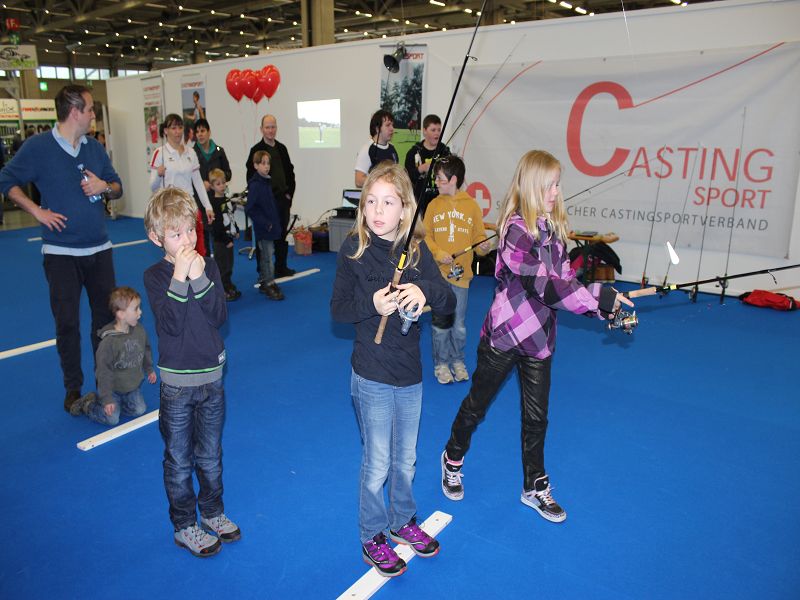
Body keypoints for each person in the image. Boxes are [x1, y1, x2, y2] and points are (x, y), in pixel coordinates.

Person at [440, 150, 634, 523]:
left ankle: (534, 486)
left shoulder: (553, 232)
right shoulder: (515, 232)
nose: (557, 191)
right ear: (533, 186)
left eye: (558, 184)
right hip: (505, 336)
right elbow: (543, 287)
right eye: (551, 184)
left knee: (536, 418)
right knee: (476, 406)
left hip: (540, 340)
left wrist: (603, 307)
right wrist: (600, 299)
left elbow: (566, 283)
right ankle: (452, 457)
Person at [331, 162, 455, 578]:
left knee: (406, 459)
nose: (377, 210)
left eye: (388, 202)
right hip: (371, 375)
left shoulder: (416, 253)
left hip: (410, 376)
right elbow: (338, 310)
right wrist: (373, 305)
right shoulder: (353, 251)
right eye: (370, 201)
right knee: (378, 461)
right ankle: (373, 534)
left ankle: (403, 520)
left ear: (405, 209)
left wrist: (423, 291)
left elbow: (447, 301)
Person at [0, 84, 122, 413]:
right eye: (91, 109)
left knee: (105, 322)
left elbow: (117, 186)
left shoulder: (94, 149)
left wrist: (104, 186)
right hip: (60, 255)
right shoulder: (38, 148)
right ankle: (73, 389)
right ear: (74, 112)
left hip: (100, 251)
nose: (94, 114)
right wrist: (37, 211)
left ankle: (104, 383)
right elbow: (5, 179)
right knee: (66, 324)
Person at [143, 186, 240, 558]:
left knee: (211, 453)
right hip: (177, 385)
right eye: (175, 233)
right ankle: (185, 524)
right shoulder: (155, 276)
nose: (186, 240)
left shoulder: (209, 265)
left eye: (189, 230)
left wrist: (200, 277)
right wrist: (180, 277)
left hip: (212, 379)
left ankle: (213, 511)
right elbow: (169, 323)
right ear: (156, 238)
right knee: (179, 458)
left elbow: (219, 316)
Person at [423, 155, 492, 385]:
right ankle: (441, 363)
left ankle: (457, 360)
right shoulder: (433, 205)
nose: (436, 182)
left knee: (459, 325)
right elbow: (426, 237)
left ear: (453, 179)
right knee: (441, 323)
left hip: (462, 277)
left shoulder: (471, 206)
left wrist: (484, 246)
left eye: (440, 178)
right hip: (437, 276)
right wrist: (437, 252)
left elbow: (479, 239)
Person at [70, 286, 157, 425]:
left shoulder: (140, 331)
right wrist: (107, 398)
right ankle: (89, 404)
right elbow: (103, 372)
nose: (140, 312)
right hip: (113, 390)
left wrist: (149, 369)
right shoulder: (108, 343)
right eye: (136, 309)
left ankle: (118, 405)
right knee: (112, 419)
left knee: (139, 410)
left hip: (131, 387)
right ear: (121, 314)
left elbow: (145, 350)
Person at [149, 113, 214, 256]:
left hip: (190, 207)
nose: (177, 131)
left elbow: (197, 182)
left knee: (198, 249)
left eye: (180, 127)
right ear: (166, 131)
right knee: (177, 252)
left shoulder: (191, 152)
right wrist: (159, 175)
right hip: (171, 209)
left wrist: (207, 206)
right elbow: (153, 187)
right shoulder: (159, 153)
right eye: (173, 128)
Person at [245, 114, 296, 277]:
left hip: (282, 200)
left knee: (282, 234)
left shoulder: (282, 149)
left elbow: (290, 173)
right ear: (261, 129)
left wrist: (289, 195)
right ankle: (264, 272)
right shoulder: (256, 151)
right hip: (266, 202)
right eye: (267, 127)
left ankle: (281, 267)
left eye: (273, 126)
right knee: (264, 238)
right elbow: (251, 178)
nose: (270, 130)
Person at [246, 151, 284, 301]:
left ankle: (264, 280)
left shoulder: (267, 181)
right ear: (255, 165)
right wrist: (265, 223)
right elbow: (251, 208)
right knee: (268, 256)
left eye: (268, 163)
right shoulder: (256, 185)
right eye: (263, 163)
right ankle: (269, 283)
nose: (266, 166)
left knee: (265, 255)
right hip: (264, 228)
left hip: (270, 226)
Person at [194, 118, 232, 254]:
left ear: (209, 132)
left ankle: (221, 269)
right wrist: (200, 183)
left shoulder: (219, 151)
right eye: (197, 132)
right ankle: (205, 267)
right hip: (200, 202)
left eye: (203, 131)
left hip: (218, 199)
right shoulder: (192, 153)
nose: (200, 134)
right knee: (202, 236)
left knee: (220, 233)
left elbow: (228, 173)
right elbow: (190, 178)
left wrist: (217, 182)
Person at [404, 114, 451, 213]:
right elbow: (406, 178)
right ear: (424, 131)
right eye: (433, 130)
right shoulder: (414, 152)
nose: (437, 133)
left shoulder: (445, 152)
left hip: (441, 202)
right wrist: (421, 169)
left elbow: (452, 175)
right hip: (419, 203)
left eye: (439, 130)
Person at [208, 168, 241, 301]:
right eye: (218, 184)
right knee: (222, 266)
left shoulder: (226, 200)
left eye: (223, 183)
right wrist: (226, 240)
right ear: (212, 186)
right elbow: (217, 226)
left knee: (229, 264)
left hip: (229, 239)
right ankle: (222, 289)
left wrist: (236, 230)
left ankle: (227, 284)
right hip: (221, 241)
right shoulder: (213, 204)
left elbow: (231, 217)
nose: (222, 186)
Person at [354, 109, 398, 189]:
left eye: (392, 125)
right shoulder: (367, 149)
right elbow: (358, 180)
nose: (392, 129)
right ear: (377, 128)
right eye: (388, 125)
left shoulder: (392, 148)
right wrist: (382, 181)